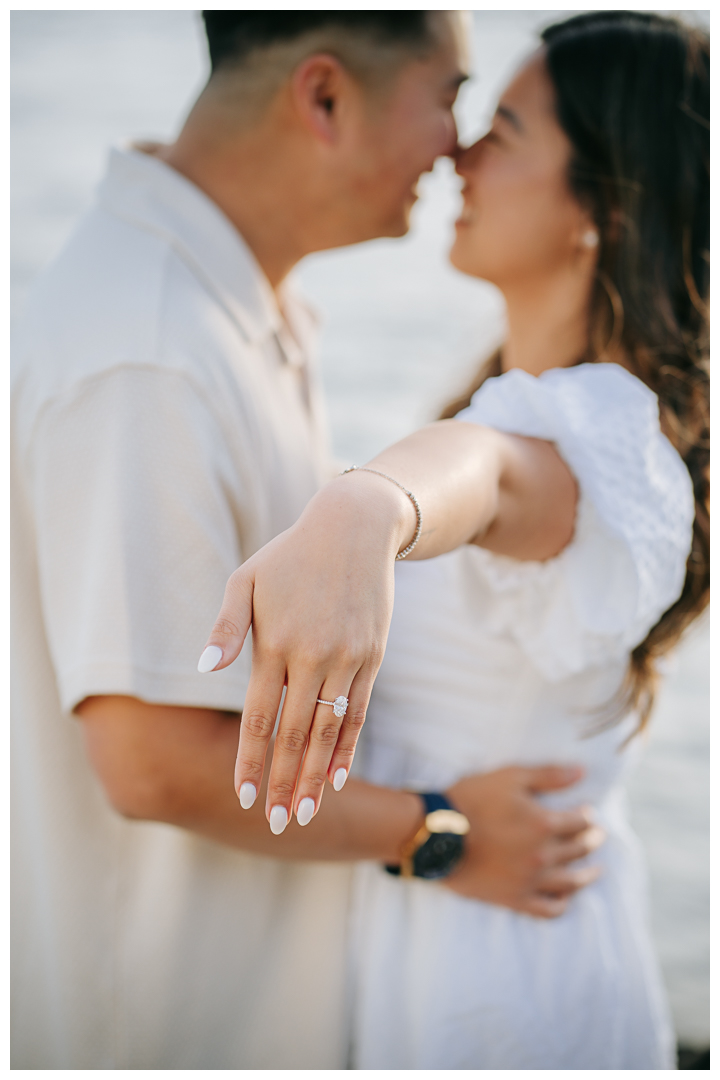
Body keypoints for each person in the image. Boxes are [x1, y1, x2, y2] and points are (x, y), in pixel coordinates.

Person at [11, 12, 603, 1070]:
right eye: (450, 97)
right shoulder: (148, 348)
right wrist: (441, 831)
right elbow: (149, 761)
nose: (454, 146)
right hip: (169, 1027)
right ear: (325, 98)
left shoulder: (227, 304)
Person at [203, 11, 709, 1069]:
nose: (460, 152)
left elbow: (484, 472)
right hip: (447, 930)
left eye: (508, 131)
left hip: (505, 983)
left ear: (602, 211)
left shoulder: (592, 432)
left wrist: (367, 505)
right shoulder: (513, 402)